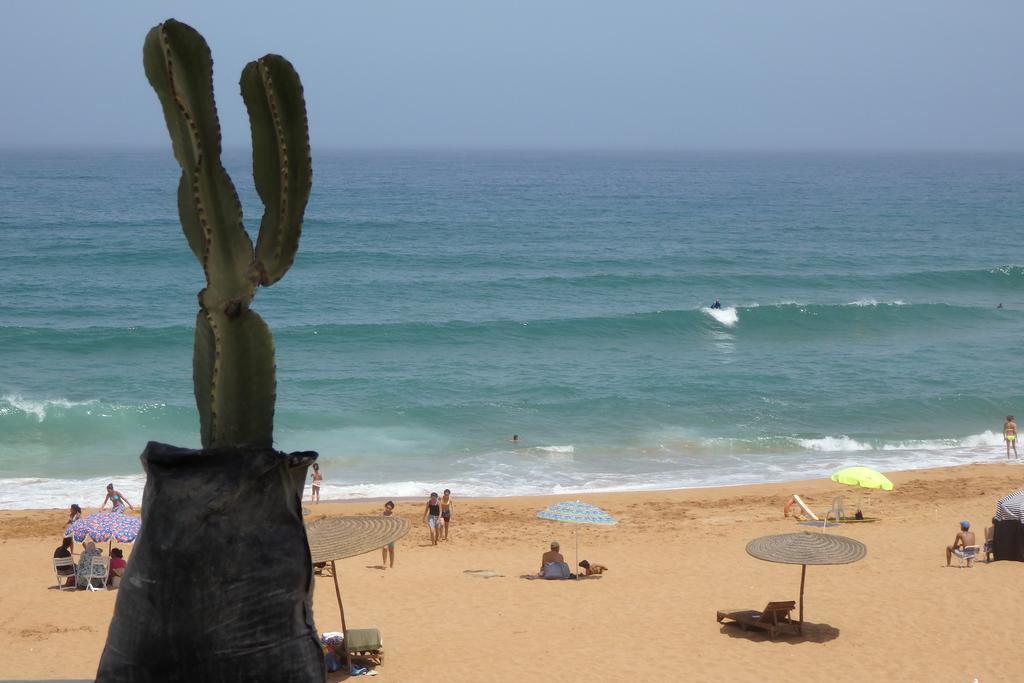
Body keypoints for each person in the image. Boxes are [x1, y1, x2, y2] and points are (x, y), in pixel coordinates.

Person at [381, 500, 396, 569]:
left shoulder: (393, 516)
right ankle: (384, 563)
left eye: (390, 508)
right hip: (384, 534)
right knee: (384, 548)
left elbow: (397, 525)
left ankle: (391, 564)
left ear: (392, 509)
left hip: (391, 534)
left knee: (391, 550)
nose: (388, 509)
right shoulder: (381, 515)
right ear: (385, 507)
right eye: (387, 507)